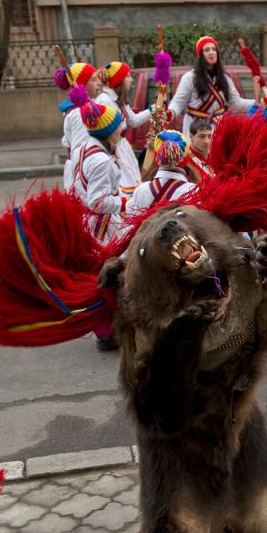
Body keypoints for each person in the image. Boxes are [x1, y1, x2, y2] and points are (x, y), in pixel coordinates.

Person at [75, 100, 124, 350]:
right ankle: (108, 332)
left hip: (91, 223)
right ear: (107, 131)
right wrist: (124, 201)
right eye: (117, 127)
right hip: (102, 227)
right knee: (109, 277)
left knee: (101, 277)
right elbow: (97, 201)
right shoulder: (102, 161)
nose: (121, 130)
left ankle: (106, 331)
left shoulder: (87, 148)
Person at [168, 36, 253, 140]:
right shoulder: (189, 77)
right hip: (196, 129)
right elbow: (178, 102)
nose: (212, 52)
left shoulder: (225, 78)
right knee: (196, 156)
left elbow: (236, 103)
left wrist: (258, 102)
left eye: (214, 49)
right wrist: (170, 112)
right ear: (200, 55)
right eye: (207, 50)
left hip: (218, 129)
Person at [97, 61, 151, 200]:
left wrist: (152, 111)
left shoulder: (118, 100)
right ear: (119, 81)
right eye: (127, 76)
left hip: (122, 146)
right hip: (113, 149)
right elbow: (115, 127)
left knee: (132, 181)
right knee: (123, 185)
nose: (131, 80)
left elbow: (132, 121)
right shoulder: (105, 101)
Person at [126, 131, 195, 217]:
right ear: (185, 159)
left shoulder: (142, 190)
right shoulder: (193, 191)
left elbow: (130, 216)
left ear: (156, 157)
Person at [57, 62, 101, 189]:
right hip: (85, 177)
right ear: (82, 85)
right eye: (93, 79)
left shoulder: (85, 108)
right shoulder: (78, 114)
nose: (99, 83)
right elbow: (80, 149)